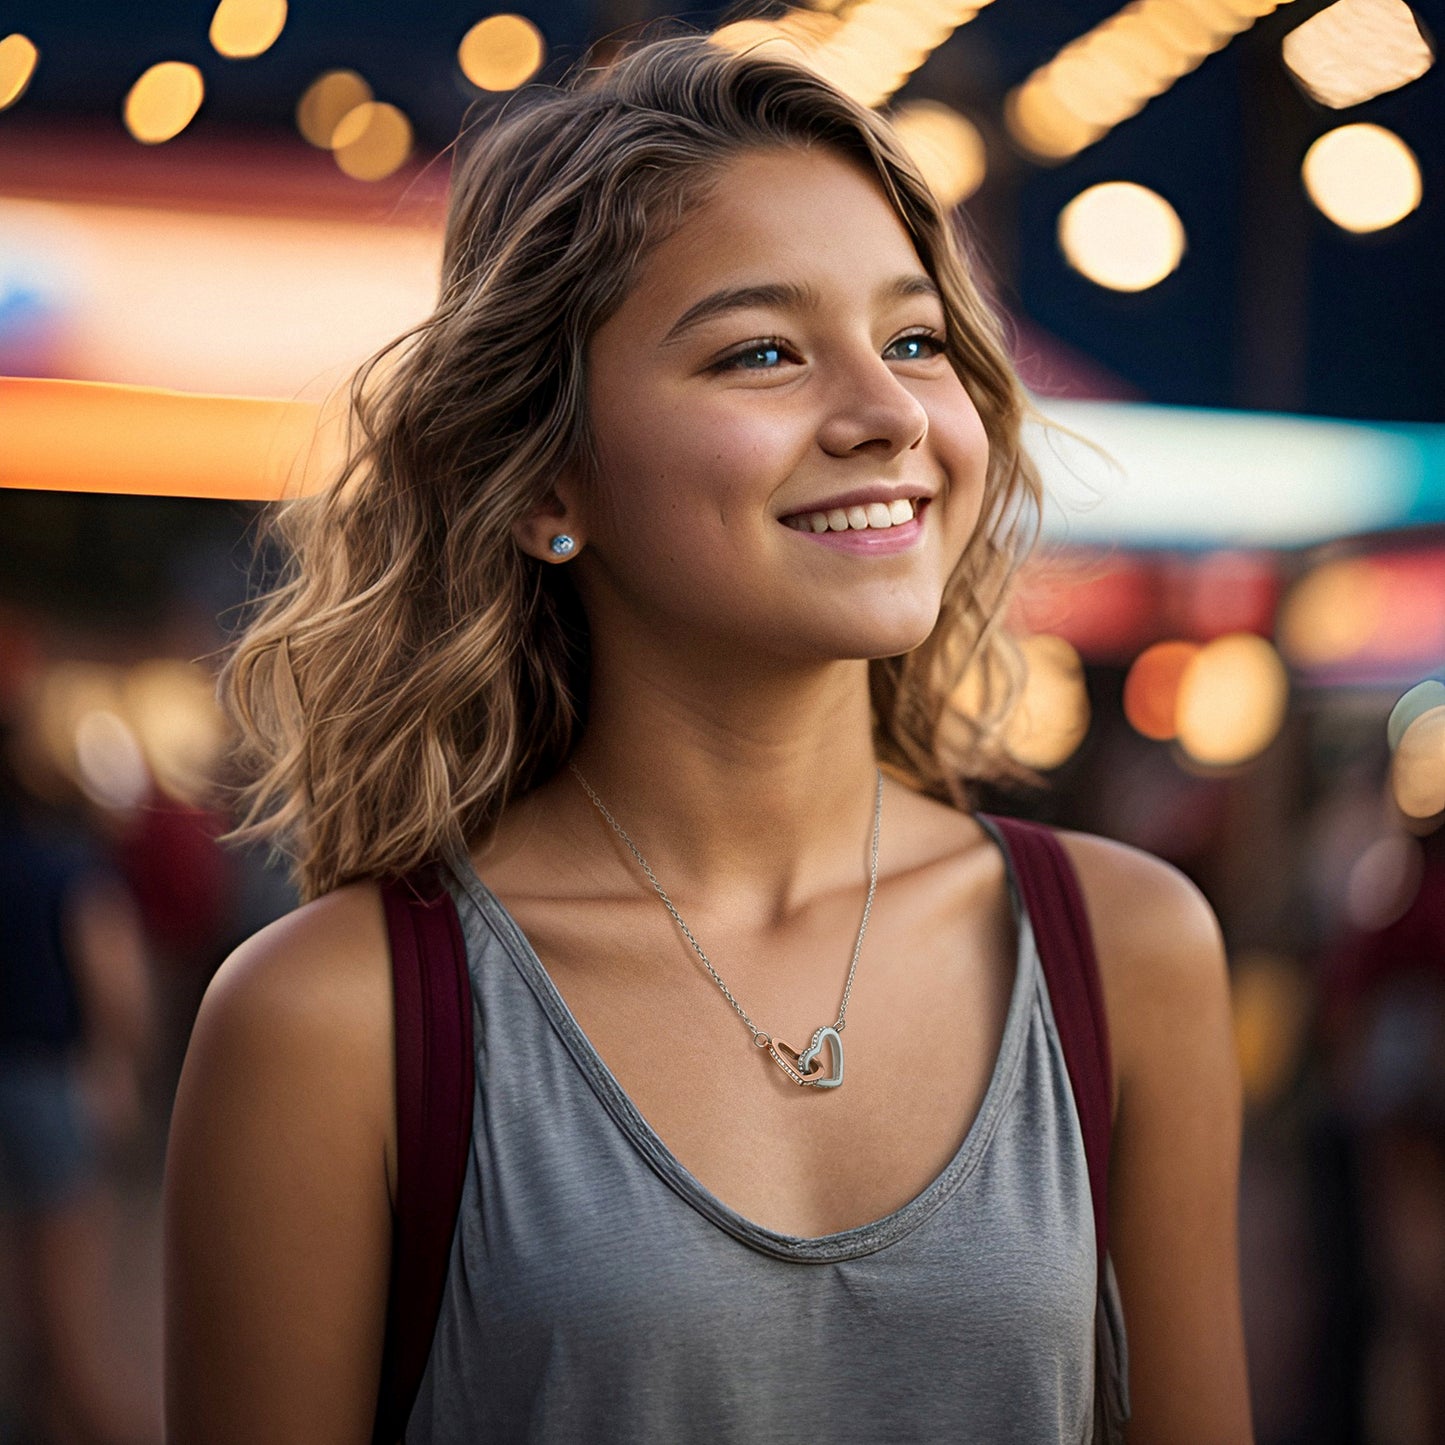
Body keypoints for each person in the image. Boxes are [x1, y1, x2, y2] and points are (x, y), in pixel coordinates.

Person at [164, 35, 1251, 1444]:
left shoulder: (1127, 949)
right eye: (762, 353)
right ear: (548, 478)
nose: (887, 415)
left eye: (914, 338)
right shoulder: (335, 1019)